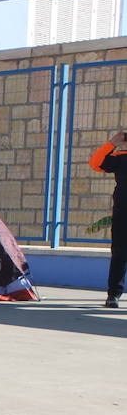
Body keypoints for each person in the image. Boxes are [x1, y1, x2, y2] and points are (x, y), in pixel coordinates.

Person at [89, 130, 126, 307]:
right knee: (119, 253)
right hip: (122, 213)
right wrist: (111, 144)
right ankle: (114, 295)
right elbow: (95, 163)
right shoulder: (120, 158)